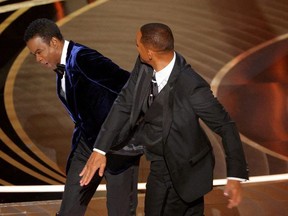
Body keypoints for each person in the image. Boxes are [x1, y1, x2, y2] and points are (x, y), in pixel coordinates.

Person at [79, 23, 249, 215]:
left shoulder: (192, 87)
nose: (136, 48)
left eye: (138, 44)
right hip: (159, 164)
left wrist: (235, 176)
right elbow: (125, 102)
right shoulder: (144, 64)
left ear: (150, 52)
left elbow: (225, 125)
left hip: (186, 168)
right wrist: (100, 149)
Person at [23, 18, 142, 216]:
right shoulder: (62, 67)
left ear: (53, 42)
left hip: (117, 147)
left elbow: (129, 86)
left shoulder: (84, 59)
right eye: (33, 54)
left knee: (120, 212)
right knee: (69, 210)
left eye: (39, 52)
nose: (38, 59)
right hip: (86, 145)